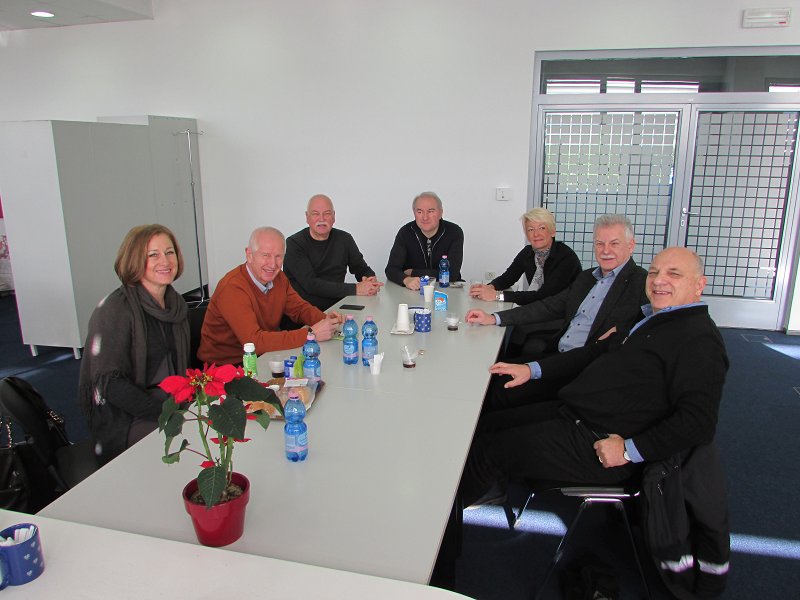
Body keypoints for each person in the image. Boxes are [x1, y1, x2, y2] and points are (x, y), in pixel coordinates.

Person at [460, 247, 729, 506]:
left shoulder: (699, 339)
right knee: (483, 425)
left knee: (487, 451)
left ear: (699, 285)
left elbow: (699, 422)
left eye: (674, 274)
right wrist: (532, 369)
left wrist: (628, 450)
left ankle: (444, 524)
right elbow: (593, 352)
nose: (659, 281)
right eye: (654, 272)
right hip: (576, 411)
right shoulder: (648, 318)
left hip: (601, 440)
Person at [466, 215, 648, 411]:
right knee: (486, 375)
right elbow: (549, 306)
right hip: (556, 356)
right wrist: (494, 317)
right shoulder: (587, 278)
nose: (605, 250)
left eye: (614, 243)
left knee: (495, 394)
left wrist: (622, 333)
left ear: (631, 245)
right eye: (599, 243)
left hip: (582, 372)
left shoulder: (642, 283)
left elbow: (653, 329)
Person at [79, 224, 190, 466]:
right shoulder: (115, 309)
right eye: (153, 255)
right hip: (129, 416)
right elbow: (111, 385)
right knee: (191, 441)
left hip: (170, 401)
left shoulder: (175, 304)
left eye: (169, 252)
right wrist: (167, 415)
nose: (165, 261)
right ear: (134, 260)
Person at [198, 226, 343, 365]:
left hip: (264, 356)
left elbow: (300, 309)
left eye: (278, 256)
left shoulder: (279, 278)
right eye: (266, 255)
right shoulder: (232, 288)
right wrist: (311, 334)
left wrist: (326, 321)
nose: (273, 264)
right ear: (249, 255)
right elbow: (254, 342)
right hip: (226, 367)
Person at [284, 194, 383, 311]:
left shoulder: (345, 239)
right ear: (307, 217)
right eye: (315, 214)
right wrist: (356, 289)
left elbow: (361, 268)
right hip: (304, 313)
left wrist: (370, 281)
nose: (321, 219)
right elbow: (311, 285)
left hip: (338, 307)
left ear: (334, 216)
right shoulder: (294, 244)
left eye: (327, 213)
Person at [469, 207, 581, 305]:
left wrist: (497, 295)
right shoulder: (528, 252)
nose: (536, 234)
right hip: (542, 309)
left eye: (542, 228)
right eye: (531, 229)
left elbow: (544, 296)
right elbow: (508, 278)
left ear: (552, 231)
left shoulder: (566, 257)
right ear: (527, 235)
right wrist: (489, 287)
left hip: (564, 313)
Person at [385, 191, 464, 290]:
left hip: (447, 289)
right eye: (420, 212)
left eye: (430, 211)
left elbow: (451, 274)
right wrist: (406, 279)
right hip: (413, 290)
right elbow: (391, 269)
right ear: (414, 213)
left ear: (440, 213)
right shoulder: (405, 232)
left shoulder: (454, 232)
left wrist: (413, 272)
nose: (425, 217)